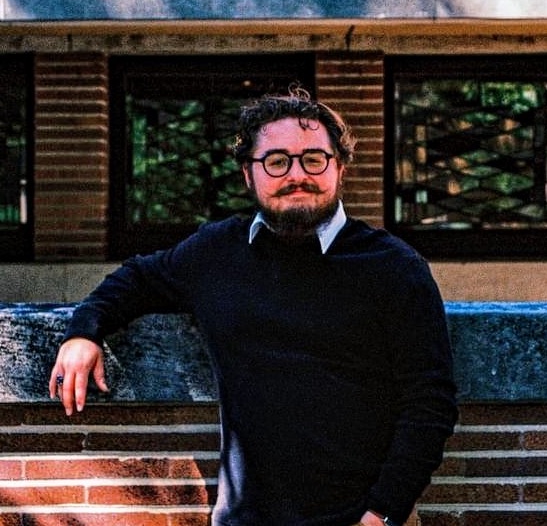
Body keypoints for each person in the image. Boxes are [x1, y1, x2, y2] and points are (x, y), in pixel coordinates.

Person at [49, 86, 458, 526]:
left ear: (339, 167)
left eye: (314, 159)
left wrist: (382, 512)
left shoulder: (394, 266)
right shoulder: (216, 251)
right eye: (277, 161)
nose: (296, 174)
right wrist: (83, 331)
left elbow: (430, 404)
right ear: (249, 174)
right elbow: (137, 277)